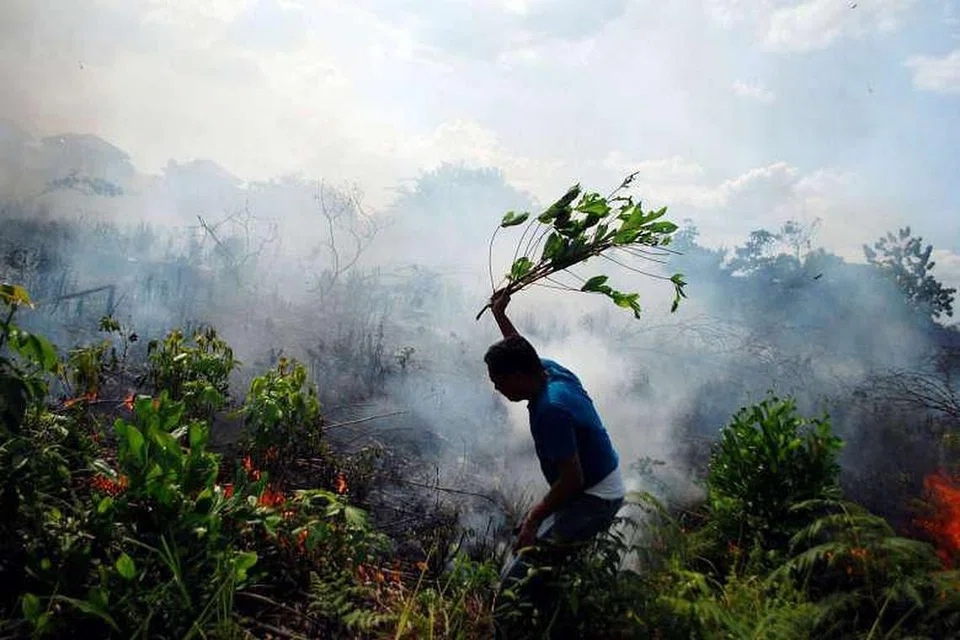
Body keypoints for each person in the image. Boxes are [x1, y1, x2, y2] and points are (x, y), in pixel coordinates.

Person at [485, 289, 625, 621]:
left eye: (499, 381)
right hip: (595, 483)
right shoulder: (548, 370)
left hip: (594, 497)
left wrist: (534, 518)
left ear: (518, 377)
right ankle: (550, 602)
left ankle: (519, 623)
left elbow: (572, 481)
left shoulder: (552, 410)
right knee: (537, 550)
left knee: (515, 583)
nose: (496, 388)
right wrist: (500, 315)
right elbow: (520, 349)